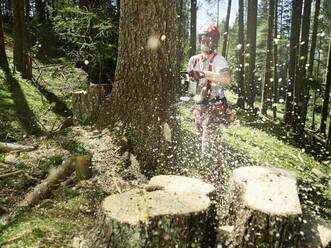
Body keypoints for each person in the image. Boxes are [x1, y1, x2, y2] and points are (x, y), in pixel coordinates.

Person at [187, 23, 231, 181]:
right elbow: (191, 84)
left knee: (209, 149)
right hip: (199, 107)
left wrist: (204, 74)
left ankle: (215, 185)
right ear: (200, 40)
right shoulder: (193, 60)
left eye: (212, 40)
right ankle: (210, 178)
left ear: (216, 43)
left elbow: (226, 80)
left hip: (214, 108)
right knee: (203, 143)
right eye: (205, 39)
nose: (208, 43)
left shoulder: (219, 60)